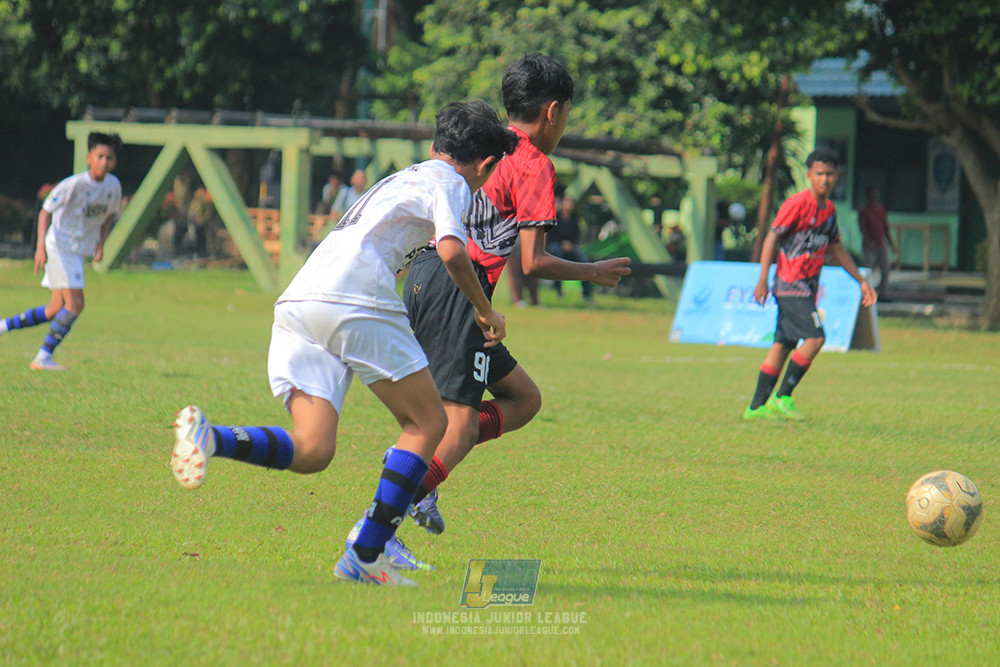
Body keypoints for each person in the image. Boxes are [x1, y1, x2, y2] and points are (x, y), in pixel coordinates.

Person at [169, 101, 518, 586]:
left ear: (435, 144)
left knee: (313, 448)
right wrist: (484, 309)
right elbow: (452, 249)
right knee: (428, 422)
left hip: (300, 300)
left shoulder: (403, 177)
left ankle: (210, 438)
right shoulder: (453, 183)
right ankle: (366, 554)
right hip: (354, 295)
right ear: (485, 164)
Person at [397, 53, 631, 548]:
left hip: (424, 274)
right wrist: (593, 272)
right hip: (461, 289)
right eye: (566, 113)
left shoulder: (486, 144)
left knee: (524, 399)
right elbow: (534, 260)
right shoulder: (534, 164)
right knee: (459, 426)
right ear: (553, 112)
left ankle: (417, 470)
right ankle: (397, 502)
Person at [742, 148, 876, 421]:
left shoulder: (829, 211)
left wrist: (861, 281)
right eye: (819, 174)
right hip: (791, 285)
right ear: (809, 175)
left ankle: (755, 409)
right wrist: (762, 279)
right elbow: (771, 238)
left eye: (830, 174)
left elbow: (837, 249)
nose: (825, 179)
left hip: (808, 287)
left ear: (836, 176)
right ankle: (782, 397)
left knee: (783, 344)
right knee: (816, 338)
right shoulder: (796, 204)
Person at [0, 132, 123, 371]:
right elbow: (45, 211)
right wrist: (40, 248)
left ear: (114, 161)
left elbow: (108, 216)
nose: (104, 162)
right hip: (60, 246)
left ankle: (3, 326)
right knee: (76, 304)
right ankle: (43, 357)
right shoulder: (75, 184)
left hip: (76, 251)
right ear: (89, 158)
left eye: (109, 158)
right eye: (99, 156)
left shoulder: (113, 186)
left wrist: (101, 243)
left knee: (55, 309)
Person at [548, 193, 594, 303]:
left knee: (584, 261)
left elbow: (576, 234)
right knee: (558, 257)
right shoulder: (555, 217)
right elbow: (551, 235)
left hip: (570, 245)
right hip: (557, 244)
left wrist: (570, 244)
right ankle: (558, 289)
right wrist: (562, 243)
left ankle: (587, 294)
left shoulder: (575, 218)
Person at [857, 185, 896, 299]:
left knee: (886, 269)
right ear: (867, 197)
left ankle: (883, 293)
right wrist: (869, 241)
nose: (874, 198)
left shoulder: (881, 210)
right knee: (869, 271)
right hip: (869, 247)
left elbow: (886, 228)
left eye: (876, 196)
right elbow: (863, 228)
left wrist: (891, 244)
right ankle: (867, 294)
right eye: (872, 196)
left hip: (881, 244)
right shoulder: (864, 211)